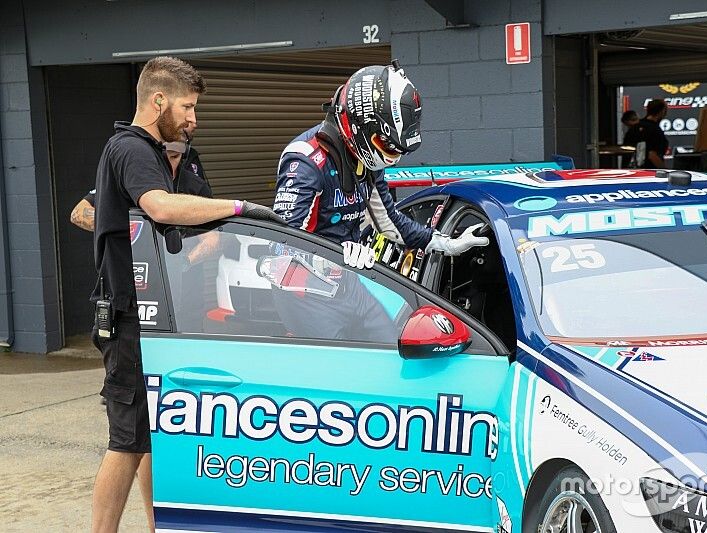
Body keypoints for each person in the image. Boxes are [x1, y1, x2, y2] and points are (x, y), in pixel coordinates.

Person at [90, 55, 276, 533]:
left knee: (150, 439)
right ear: (158, 100)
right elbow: (160, 206)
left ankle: (158, 525)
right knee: (126, 441)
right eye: (187, 107)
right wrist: (242, 206)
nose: (194, 118)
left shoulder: (162, 152)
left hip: (155, 318)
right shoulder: (130, 148)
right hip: (129, 318)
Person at [273, 61, 488, 267]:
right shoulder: (306, 162)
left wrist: (448, 243)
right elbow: (279, 249)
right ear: (360, 128)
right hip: (305, 293)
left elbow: (389, 221)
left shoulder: (365, 158)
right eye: (388, 145)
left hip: (345, 277)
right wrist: (331, 256)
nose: (393, 157)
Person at [70, 123, 209, 231]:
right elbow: (78, 212)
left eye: (174, 157)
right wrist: (126, 226)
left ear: (183, 156)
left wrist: (185, 260)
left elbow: (213, 238)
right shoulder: (134, 177)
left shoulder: (195, 185)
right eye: (162, 157)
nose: (167, 164)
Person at [631, 99, 669, 169]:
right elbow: (652, 155)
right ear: (662, 111)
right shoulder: (655, 130)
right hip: (650, 171)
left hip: (633, 170)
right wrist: (665, 171)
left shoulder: (635, 127)